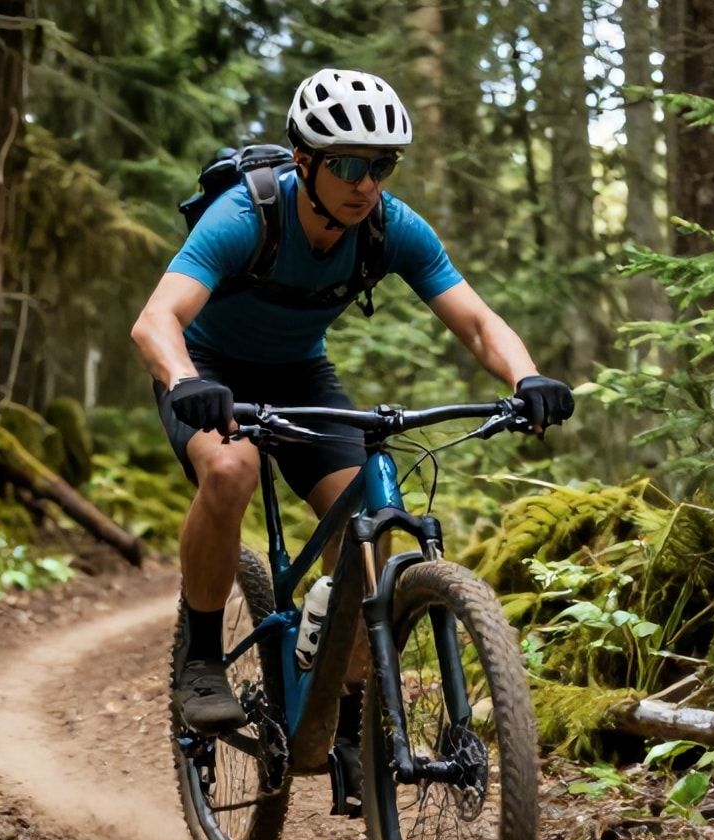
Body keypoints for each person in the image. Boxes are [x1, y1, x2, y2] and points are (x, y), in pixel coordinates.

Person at [130, 68, 575, 737]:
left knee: (369, 525)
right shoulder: (245, 215)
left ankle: (346, 702)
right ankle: (201, 658)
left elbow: (479, 323)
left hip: (299, 376)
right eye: (348, 165)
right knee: (230, 471)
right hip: (206, 370)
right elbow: (155, 319)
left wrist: (528, 378)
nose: (367, 183)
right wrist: (186, 379)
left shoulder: (391, 227)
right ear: (305, 162)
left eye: (382, 165)